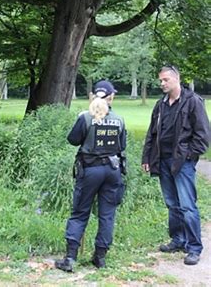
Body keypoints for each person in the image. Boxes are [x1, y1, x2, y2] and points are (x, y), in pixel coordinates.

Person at [142, 65, 210, 266]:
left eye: (165, 80)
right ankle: (178, 240)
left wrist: (188, 156)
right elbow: (152, 133)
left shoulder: (193, 102)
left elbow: (203, 136)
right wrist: (147, 158)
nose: (162, 83)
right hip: (163, 161)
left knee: (188, 205)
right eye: (160, 81)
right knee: (172, 204)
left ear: (176, 79)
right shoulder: (160, 105)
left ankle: (194, 248)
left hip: (182, 163)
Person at [55, 80, 127, 272]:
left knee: (80, 213)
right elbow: (122, 145)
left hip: (90, 171)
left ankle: (70, 258)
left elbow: (72, 140)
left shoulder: (86, 117)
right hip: (113, 171)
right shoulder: (118, 120)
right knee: (107, 215)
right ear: (111, 97)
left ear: (93, 95)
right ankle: (100, 258)